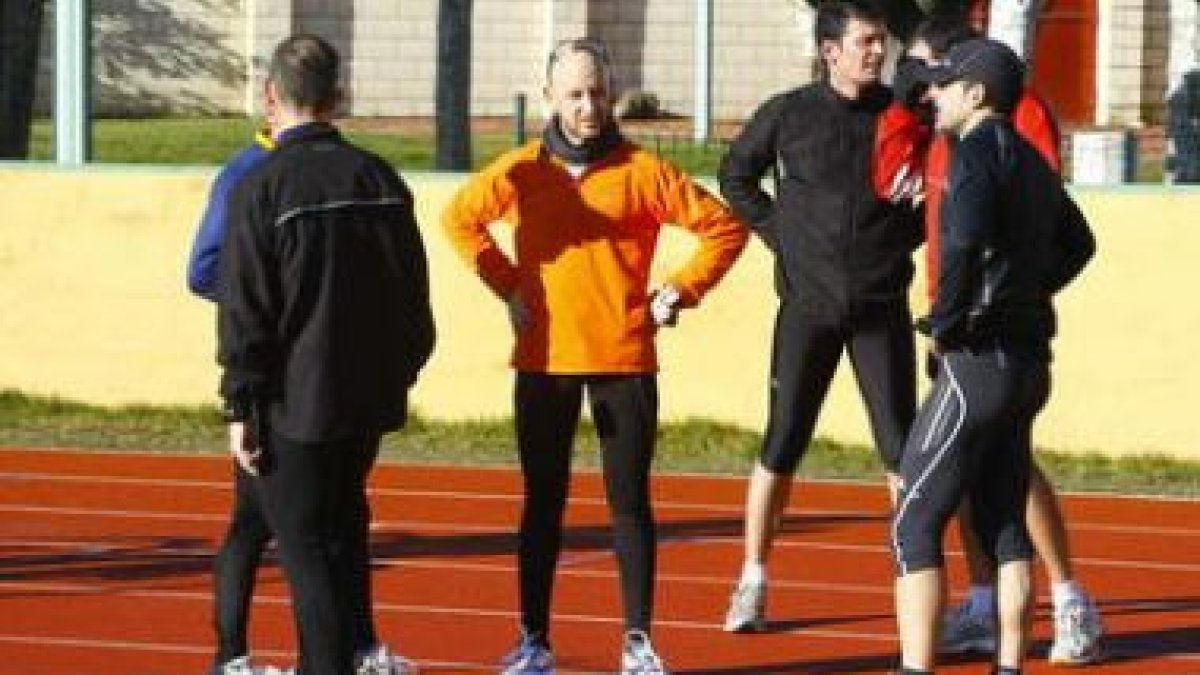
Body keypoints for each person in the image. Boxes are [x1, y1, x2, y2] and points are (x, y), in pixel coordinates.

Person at [441, 37, 747, 675]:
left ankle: (638, 643)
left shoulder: (643, 171)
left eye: (598, 93)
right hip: (544, 359)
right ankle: (533, 641)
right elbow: (459, 219)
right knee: (542, 501)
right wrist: (507, 285)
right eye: (575, 93)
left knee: (629, 503)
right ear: (550, 95)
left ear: (613, 97)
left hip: (624, 359)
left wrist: (677, 292)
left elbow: (725, 228)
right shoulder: (524, 170)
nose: (587, 106)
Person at [887, 15, 1104, 666]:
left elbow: (963, 243)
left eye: (945, 87)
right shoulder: (1033, 165)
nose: (935, 96)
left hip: (977, 360)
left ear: (976, 95)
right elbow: (1080, 244)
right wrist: (1024, 291)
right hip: (1028, 360)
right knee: (1006, 522)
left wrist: (949, 323)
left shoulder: (974, 154)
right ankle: (1008, 664)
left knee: (913, 524)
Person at [217, 34, 435, 675]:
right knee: (340, 532)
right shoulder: (380, 178)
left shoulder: (262, 188)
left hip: (295, 403)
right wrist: (398, 371)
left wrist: (242, 404)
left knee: (306, 546)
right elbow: (413, 301)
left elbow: (247, 313)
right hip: (365, 399)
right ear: (338, 97)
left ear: (270, 98)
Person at [717, 0, 923, 633]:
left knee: (901, 452)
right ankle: (752, 578)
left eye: (880, 42)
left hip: (880, 311)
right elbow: (736, 175)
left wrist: (899, 239)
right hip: (806, 309)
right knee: (782, 441)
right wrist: (785, 235)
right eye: (864, 42)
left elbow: (931, 194)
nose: (874, 52)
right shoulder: (789, 114)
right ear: (830, 51)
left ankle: (915, 581)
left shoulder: (903, 116)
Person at [187, 123, 279, 675]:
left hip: (323, 370)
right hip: (262, 366)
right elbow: (201, 271)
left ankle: (356, 646)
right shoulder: (242, 173)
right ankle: (232, 654)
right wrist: (268, 294)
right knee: (255, 518)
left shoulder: (336, 165)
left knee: (341, 518)